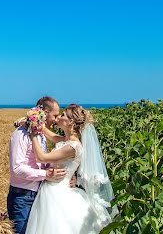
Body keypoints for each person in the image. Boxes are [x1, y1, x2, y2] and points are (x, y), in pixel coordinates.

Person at [25, 104, 114, 234]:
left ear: (70, 122)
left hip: (58, 191)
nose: (59, 117)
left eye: (63, 115)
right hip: (53, 188)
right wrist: (35, 122)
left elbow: (42, 158)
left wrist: (33, 135)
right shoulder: (66, 141)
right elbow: (53, 137)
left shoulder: (73, 147)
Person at [7, 96, 67, 234]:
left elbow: (42, 161)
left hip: (40, 196)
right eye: (55, 115)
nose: (56, 119)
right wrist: (46, 175)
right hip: (22, 198)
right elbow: (17, 168)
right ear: (45, 113)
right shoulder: (21, 134)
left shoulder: (39, 134)